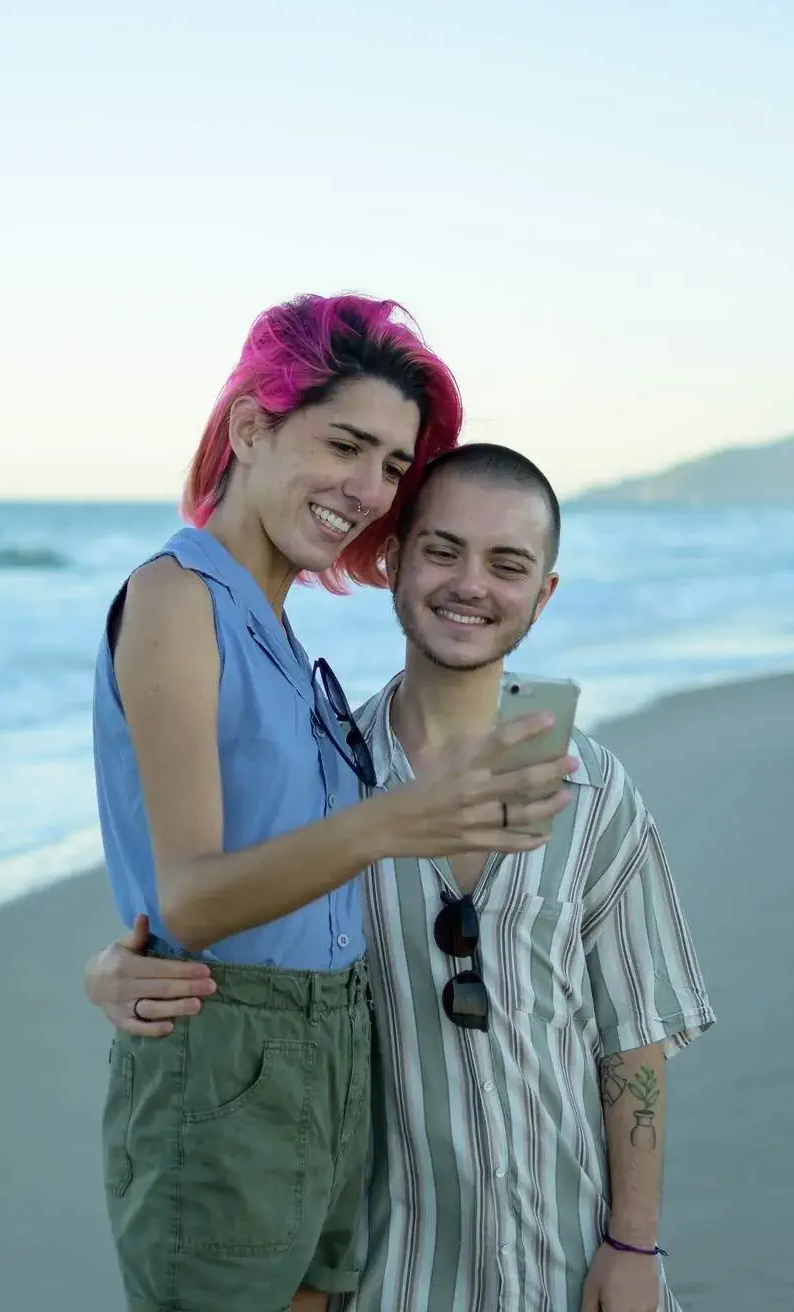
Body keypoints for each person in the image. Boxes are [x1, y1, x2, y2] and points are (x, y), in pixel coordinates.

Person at [89, 443, 717, 1312]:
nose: (471, 584)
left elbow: (633, 1035)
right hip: (393, 1275)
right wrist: (119, 969)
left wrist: (634, 1244)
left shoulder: (595, 791)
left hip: (570, 1266)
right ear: (391, 561)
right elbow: (226, 929)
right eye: (442, 550)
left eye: (507, 565)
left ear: (543, 595)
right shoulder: (324, 790)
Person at [92, 295, 579, 1312]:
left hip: (334, 1059)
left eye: (393, 466)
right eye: (345, 445)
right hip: (228, 1067)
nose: (369, 491)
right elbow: (187, 901)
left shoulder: (274, 628)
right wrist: (396, 823)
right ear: (250, 426)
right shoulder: (177, 597)